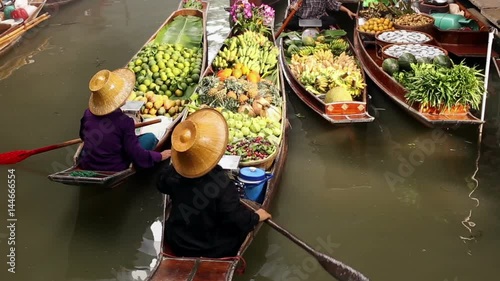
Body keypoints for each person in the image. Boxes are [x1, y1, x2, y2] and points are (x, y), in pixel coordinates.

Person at [157, 108, 272, 258]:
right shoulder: (220, 182)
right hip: (211, 248)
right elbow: (236, 219)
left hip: (178, 240)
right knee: (238, 228)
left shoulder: (175, 173)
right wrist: (257, 217)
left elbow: (160, 184)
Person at [78, 68, 171, 171]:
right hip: (114, 167)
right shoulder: (125, 122)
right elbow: (135, 153)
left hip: (87, 164)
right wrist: (160, 156)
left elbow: (83, 136)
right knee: (149, 137)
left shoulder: (88, 113)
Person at [287, 0, 357, 31]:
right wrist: (293, 7)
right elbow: (293, 4)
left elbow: (334, 4)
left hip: (318, 19)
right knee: (288, 23)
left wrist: (348, 11)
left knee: (333, 20)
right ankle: (307, 27)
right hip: (302, 19)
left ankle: (314, 27)